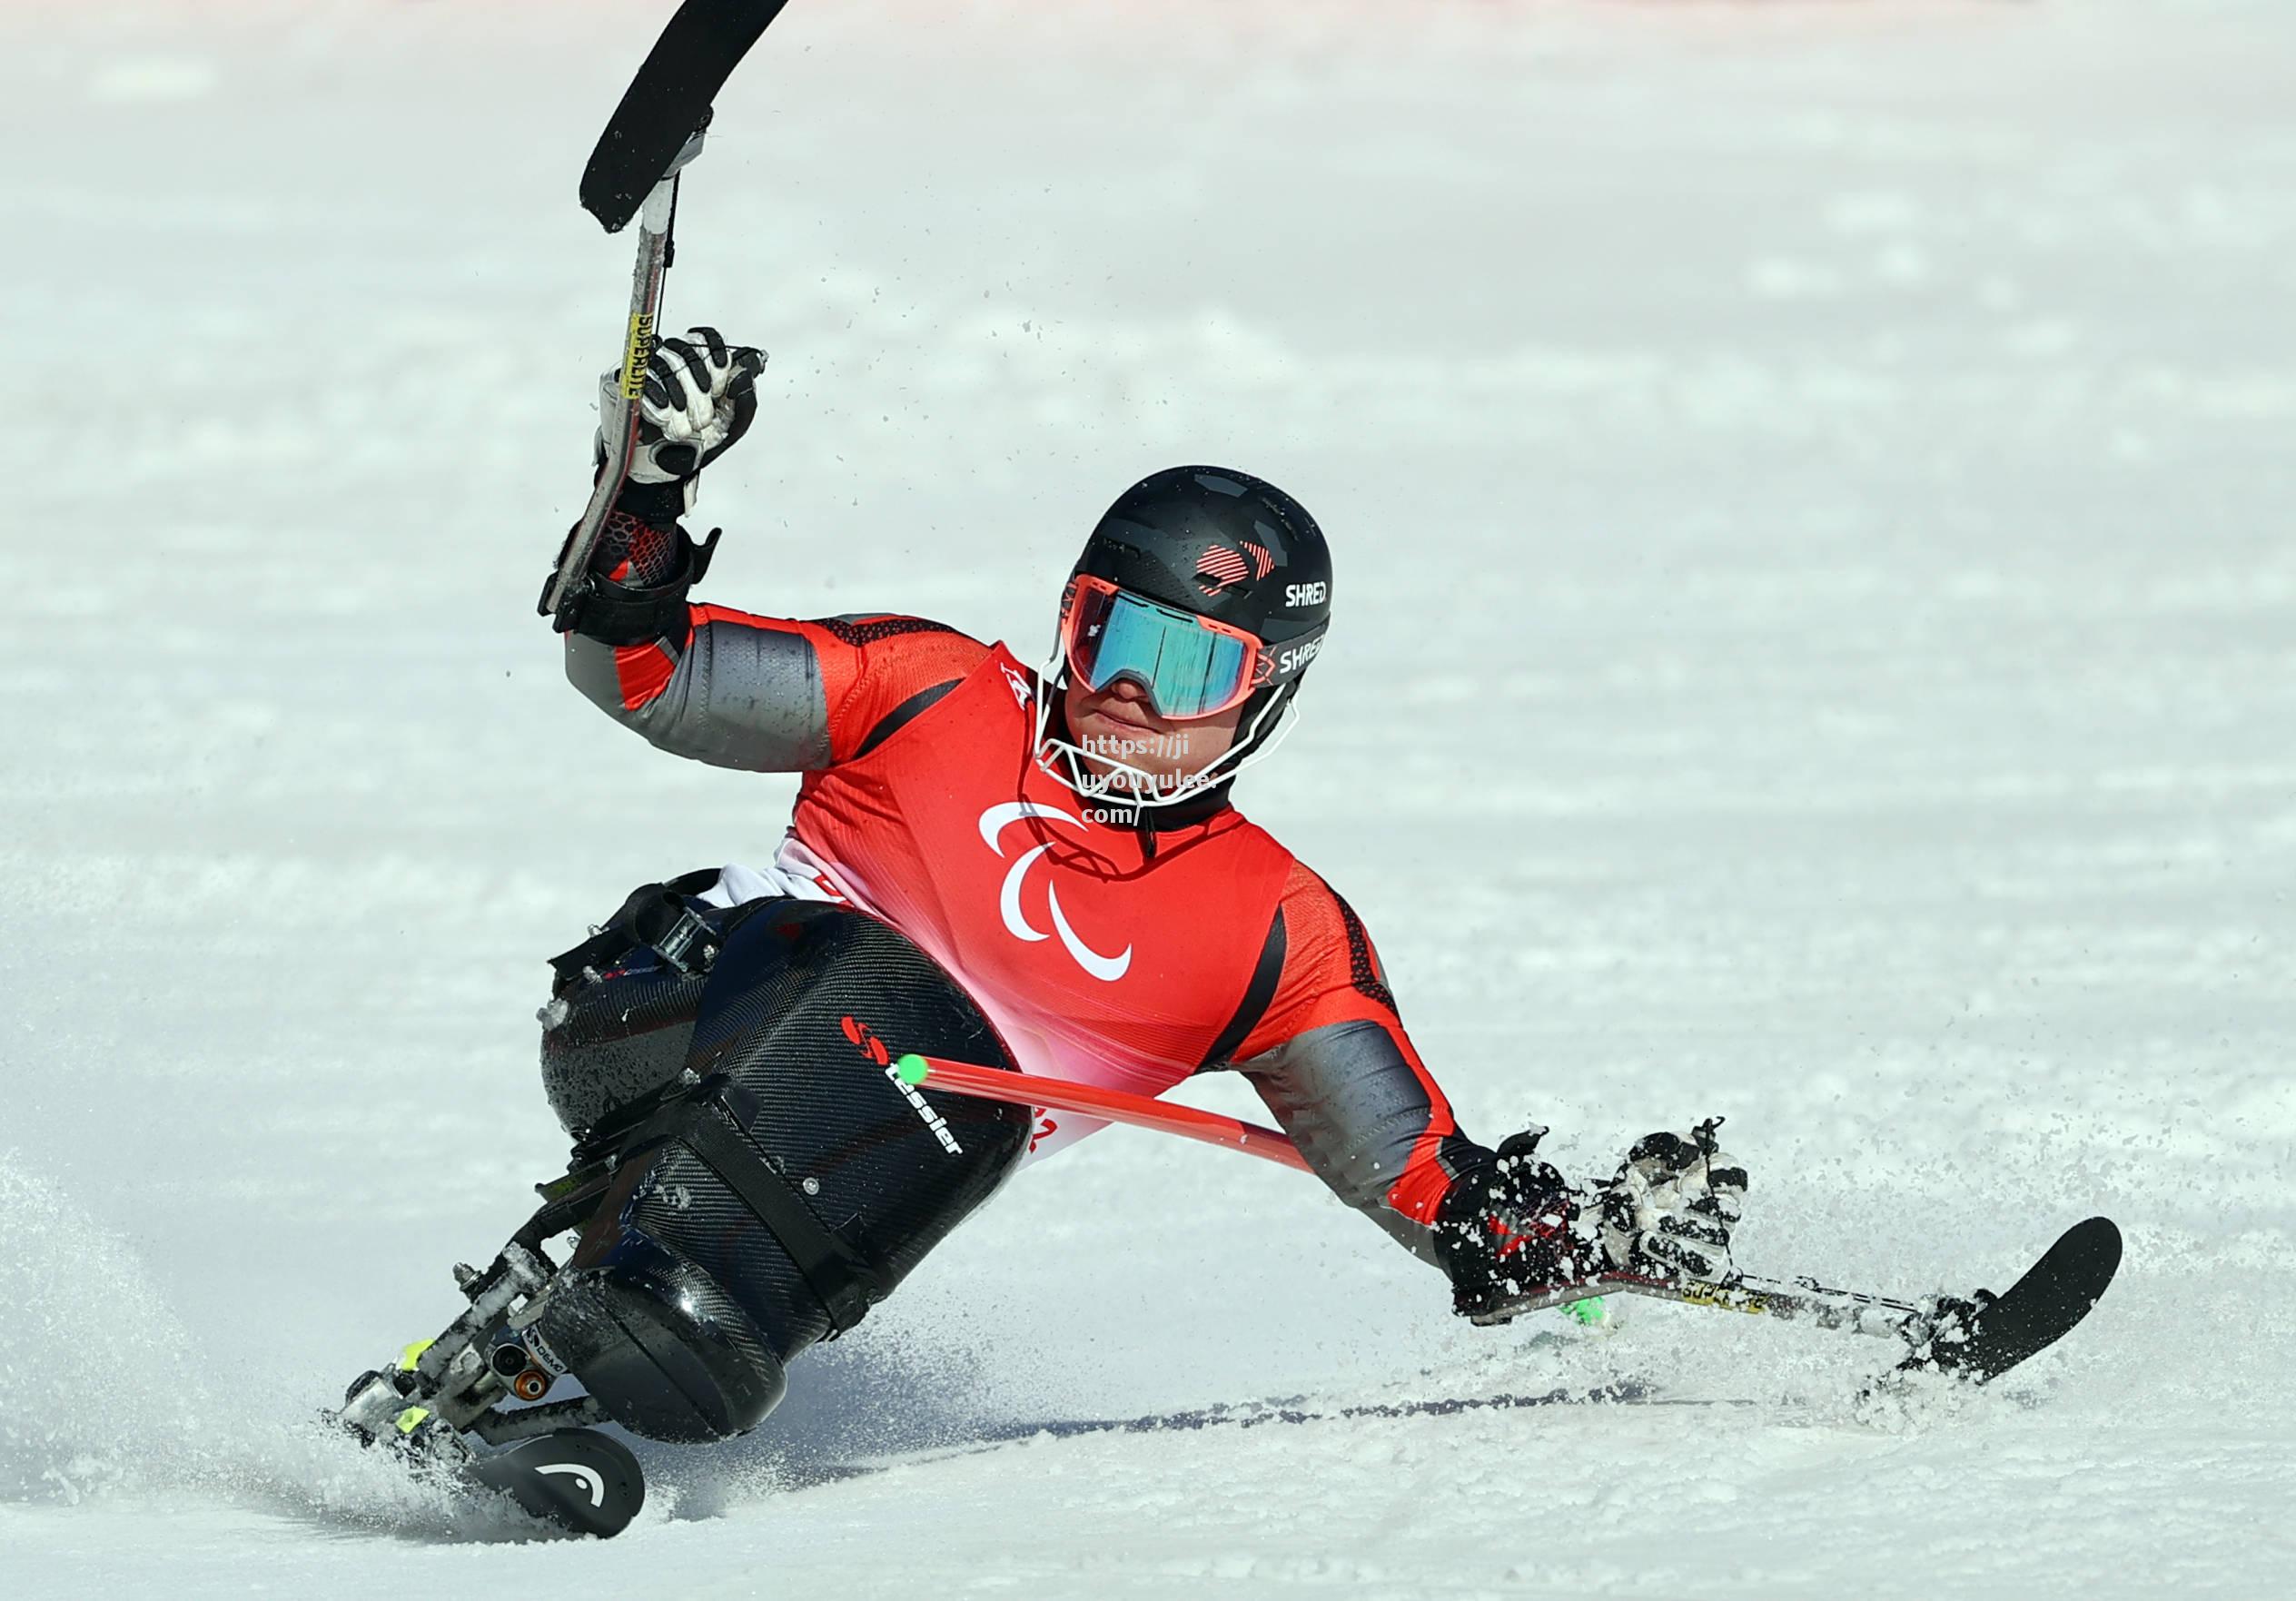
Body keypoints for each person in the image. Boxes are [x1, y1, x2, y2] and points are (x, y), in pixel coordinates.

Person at [549, 327, 1747, 1346]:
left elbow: (1418, 1172)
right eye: (1108, 637)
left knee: (878, 1189)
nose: (1130, 690)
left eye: (1186, 668)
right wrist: (644, 490)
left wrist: (1576, 1232)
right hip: (656, 1023)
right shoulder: (937, 691)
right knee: (878, 988)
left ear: (1264, 693)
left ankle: (608, 1347)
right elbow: (647, 674)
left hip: (820, 1207)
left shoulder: (1272, 933)